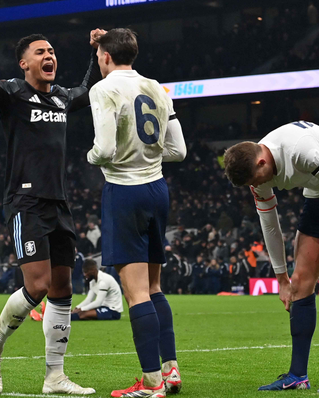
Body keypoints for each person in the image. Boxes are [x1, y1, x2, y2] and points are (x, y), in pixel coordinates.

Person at [0, 7, 103, 395]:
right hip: (25, 202)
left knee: (62, 288)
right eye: (41, 52)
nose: (49, 56)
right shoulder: (12, 94)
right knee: (38, 285)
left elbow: (90, 89)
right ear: (24, 63)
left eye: (52, 51)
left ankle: (54, 376)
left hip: (59, 202)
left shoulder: (61, 97)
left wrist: (96, 51)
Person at [224, 120, 319, 393]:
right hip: (318, 194)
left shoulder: (299, 149)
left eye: (256, 179)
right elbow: (270, 224)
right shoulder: (255, 170)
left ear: (261, 161)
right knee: (300, 282)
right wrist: (281, 278)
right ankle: (297, 375)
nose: (257, 185)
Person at [87, 28, 187, 397]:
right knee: (154, 287)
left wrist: (91, 158)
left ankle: (151, 383)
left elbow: (104, 149)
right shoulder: (157, 87)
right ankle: (170, 370)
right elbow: (179, 151)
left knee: (136, 293)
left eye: (99, 55)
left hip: (124, 192)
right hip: (157, 189)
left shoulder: (104, 89)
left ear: (105, 57)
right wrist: (147, 155)